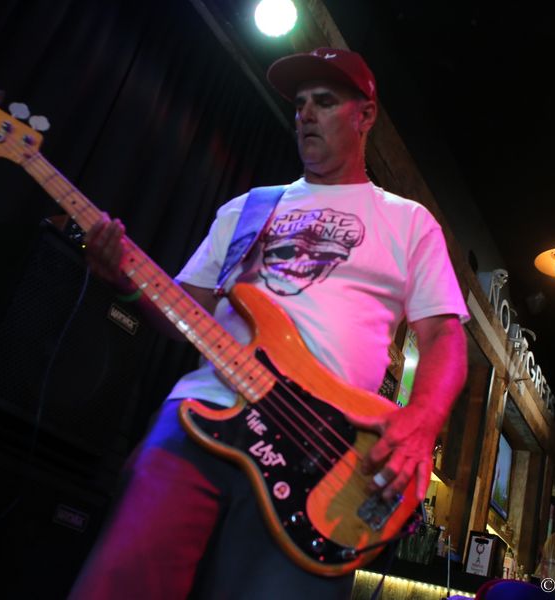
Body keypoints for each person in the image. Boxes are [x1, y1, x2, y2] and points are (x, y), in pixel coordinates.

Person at [68, 47, 469, 599]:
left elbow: (443, 334)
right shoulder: (249, 208)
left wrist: (421, 421)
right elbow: (185, 311)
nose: (305, 114)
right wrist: (126, 278)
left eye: (324, 101)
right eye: (300, 104)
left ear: (365, 115)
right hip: (204, 413)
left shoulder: (407, 221)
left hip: (320, 452)